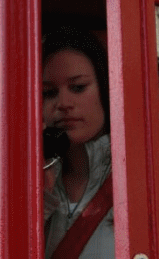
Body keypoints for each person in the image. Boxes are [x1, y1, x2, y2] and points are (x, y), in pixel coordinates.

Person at [42, 26, 114, 259]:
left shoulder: (158, 176)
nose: (63, 103)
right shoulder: (38, 186)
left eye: (78, 87)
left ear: (105, 90)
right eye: (49, 93)